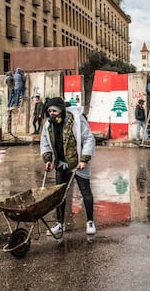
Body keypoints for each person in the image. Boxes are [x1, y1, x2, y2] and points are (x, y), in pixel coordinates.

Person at [40, 97, 97, 236]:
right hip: (61, 163)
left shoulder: (76, 120)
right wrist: (48, 159)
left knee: (85, 191)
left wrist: (84, 159)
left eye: (54, 111)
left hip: (78, 163)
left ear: (61, 110)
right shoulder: (48, 124)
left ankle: (90, 221)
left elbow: (89, 138)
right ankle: (60, 223)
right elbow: (45, 142)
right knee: (59, 195)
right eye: (49, 111)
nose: (52, 114)